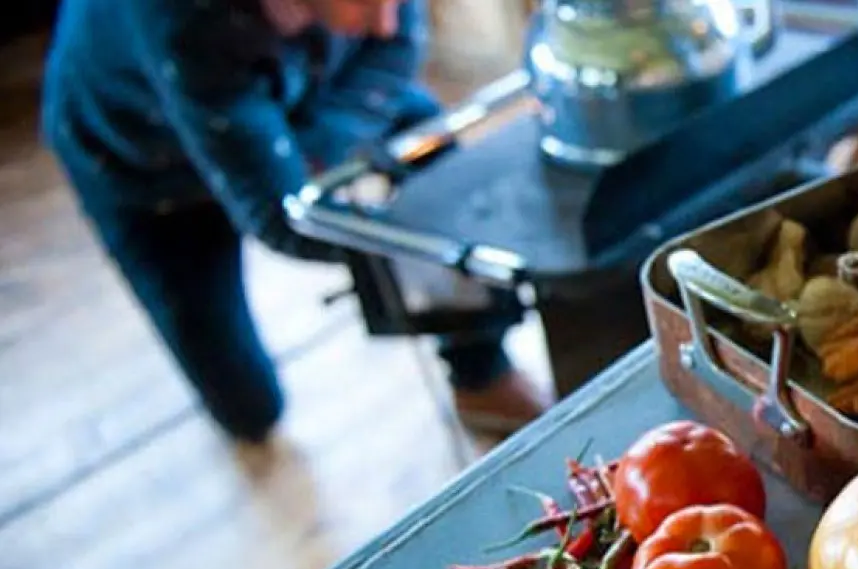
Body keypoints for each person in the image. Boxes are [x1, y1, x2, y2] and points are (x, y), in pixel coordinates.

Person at [41, 0, 550, 443]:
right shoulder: (185, 18)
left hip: (295, 105)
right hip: (151, 178)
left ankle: (480, 372)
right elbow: (286, 220)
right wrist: (429, 243)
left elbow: (396, 49)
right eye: (365, 3)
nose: (385, 22)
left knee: (431, 147)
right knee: (252, 412)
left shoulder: (374, 17)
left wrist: (308, 149)